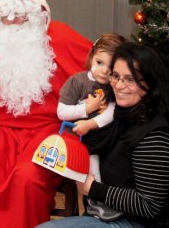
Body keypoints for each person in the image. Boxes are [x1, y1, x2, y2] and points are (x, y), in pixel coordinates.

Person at [0, 0, 93, 228]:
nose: (17, 22)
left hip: (50, 131)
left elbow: (102, 64)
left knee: (27, 178)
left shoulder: (60, 37)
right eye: (8, 16)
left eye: (23, 15)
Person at [37, 41, 169, 228]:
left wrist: (93, 189)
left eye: (130, 79)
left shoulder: (155, 134)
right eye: (115, 76)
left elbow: (149, 205)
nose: (119, 85)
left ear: (150, 82)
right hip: (101, 214)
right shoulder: (119, 113)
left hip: (132, 222)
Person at [57, 33, 127, 220]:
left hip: (104, 137)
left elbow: (112, 111)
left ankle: (105, 200)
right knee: (91, 162)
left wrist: (90, 123)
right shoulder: (77, 81)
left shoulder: (113, 86)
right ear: (91, 57)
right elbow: (62, 112)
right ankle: (96, 202)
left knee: (111, 163)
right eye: (99, 62)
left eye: (110, 67)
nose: (104, 71)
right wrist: (87, 109)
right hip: (80, 139)